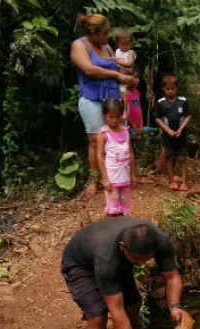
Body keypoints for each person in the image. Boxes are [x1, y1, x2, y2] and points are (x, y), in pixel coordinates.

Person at [61, 218, 185, 329]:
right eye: (137, 259)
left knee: (133, 303)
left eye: (146, 259)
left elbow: (172, 277)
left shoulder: (159, 240)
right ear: (122, 246)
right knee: (97, 315)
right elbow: (116, 310)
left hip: (119, 261)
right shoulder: (106, 258)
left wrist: (175, 307)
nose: (141, 264)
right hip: (81, 265)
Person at [70, 14, 137, 195]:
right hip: (91, 97)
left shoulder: (107, 47)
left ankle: (123, 175)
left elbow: (115, 68)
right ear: (93, 33)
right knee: (94, 141)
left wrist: (129, 77)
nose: (108, 37)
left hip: (113, 97)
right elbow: (89, 70)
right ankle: (95, 180)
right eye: (104, 33)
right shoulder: (79, 45)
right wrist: (117, 76)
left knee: (120, 137)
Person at [153, 74, 192, 191]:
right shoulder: (160, 102)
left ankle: (184, 182)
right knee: (169, 158)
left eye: (172, 89)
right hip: (167, 136)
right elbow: (157, 118)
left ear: (177, 88)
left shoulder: (183, 101)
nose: (170, 91)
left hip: (181, 136)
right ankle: (171, 181)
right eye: (167, 89)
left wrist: (180, 129)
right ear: (164, 89)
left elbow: (188, 116)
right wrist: (167, 130)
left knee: (182, 158)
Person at [97, 98, 135, 216]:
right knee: (113, 208)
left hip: (125, 178)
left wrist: (132, 174)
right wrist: (105, 179)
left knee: (125, 207)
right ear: (104, 115)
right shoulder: (103, 134)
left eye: (117, 117)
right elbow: (100, 156)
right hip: (112, 179)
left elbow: (131, 154)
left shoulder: (125, 131)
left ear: (121, 115)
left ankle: (123, 231)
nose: (114, 120)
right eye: (111, 117)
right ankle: (112, 232)